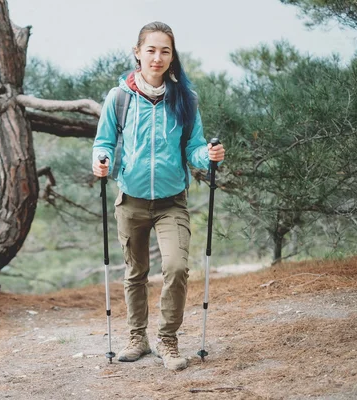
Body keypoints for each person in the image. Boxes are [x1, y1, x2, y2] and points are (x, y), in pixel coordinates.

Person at [91, 21, 225, 371]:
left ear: (171, 55)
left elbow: (194, 148)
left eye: (165, 50)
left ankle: (168, 339)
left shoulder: (186, 98)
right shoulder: (119, 97)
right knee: (135, 273)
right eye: (150, 49)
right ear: (137, 52)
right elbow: (103, 141)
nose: (157, 56)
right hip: (131, 200)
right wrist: (100, 162)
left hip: (171, 202)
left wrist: (207, 157)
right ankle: (137, 338)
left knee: (177, 267)